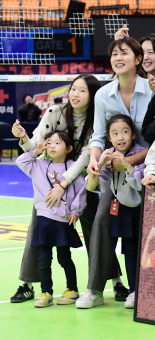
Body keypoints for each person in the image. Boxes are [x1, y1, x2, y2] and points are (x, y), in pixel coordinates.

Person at [9, 74, 100, 304]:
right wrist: (23, 140)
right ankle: (28, 284)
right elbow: (37, 148)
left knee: (97, 229)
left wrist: (64, 184)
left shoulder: (97, 119)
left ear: (93, 95)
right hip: (51, 185)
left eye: (82, 91)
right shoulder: (54, 113)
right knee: (37, 232)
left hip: (81, 179)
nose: (75, 94)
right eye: (73, 89)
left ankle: (112, 280)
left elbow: (85, 157)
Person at [77, 38, 153, 309]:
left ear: (138, 59)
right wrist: (95, 161)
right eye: (114, 54)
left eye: (124, 53)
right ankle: (94, 289)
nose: (117, 58)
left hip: (150, 170)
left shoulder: (153, 90)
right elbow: (98, 136)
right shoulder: (103, 94)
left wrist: (129, 161)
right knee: (101, 222)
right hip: (115, 176)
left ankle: (143, 289)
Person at [16, 132, 86, 308]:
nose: (53, 146)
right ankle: (46, 292)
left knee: (64, 258)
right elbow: (21, 162)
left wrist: (76, 211)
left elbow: (81, 190)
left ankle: (72, 289)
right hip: (44, 219)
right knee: (43, 259)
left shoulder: (73, 168)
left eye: (58, 143)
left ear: (68, 148)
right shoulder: (38, 165)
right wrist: (36, 151)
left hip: (63, 220)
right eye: (50, 143)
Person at [85, 114, 146, 309]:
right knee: (124, 248)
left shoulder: (140, 154)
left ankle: (137, 290)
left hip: (137, 208)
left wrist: (127, 165)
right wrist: (99, 165)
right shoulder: (107, 155)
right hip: (119, 207)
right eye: (115, 133)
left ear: (133, 134)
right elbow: (93, 186)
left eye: (125, 132)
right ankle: (127, 290)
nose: (121, 137)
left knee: (135, 250)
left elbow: (140, 185)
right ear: (109, 138)